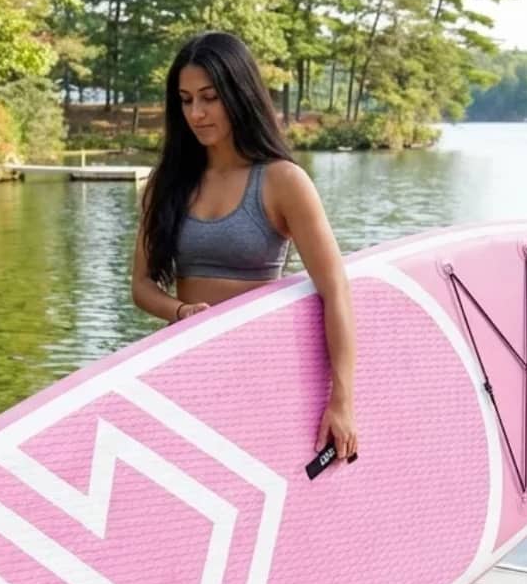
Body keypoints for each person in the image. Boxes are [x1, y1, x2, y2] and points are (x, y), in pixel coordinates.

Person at [129, 30, 360, 463]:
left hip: (260, 374)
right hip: (187, 371)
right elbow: (141, 286)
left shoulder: (282, 181)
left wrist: (341, 399)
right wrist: (180, 312)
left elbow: (335, 290)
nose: (196, 113)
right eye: (185, 99)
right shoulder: (167, 184)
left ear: (238, 93)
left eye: (209, 97)